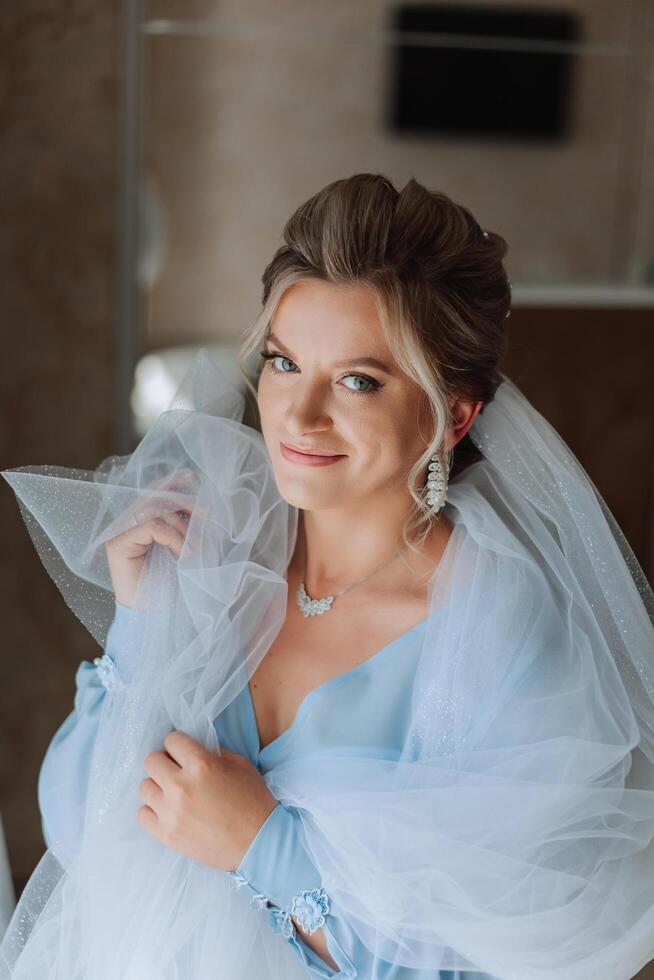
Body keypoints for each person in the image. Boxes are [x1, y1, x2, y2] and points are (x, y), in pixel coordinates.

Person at [3, 173, 654, 979]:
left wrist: (261, 844)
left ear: (454, 414)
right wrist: (140, 622)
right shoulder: (217, 554)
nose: (298, 417)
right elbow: (80, 833)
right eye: (283, 362)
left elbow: (491, 963)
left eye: (359, 380)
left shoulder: (498, 636)